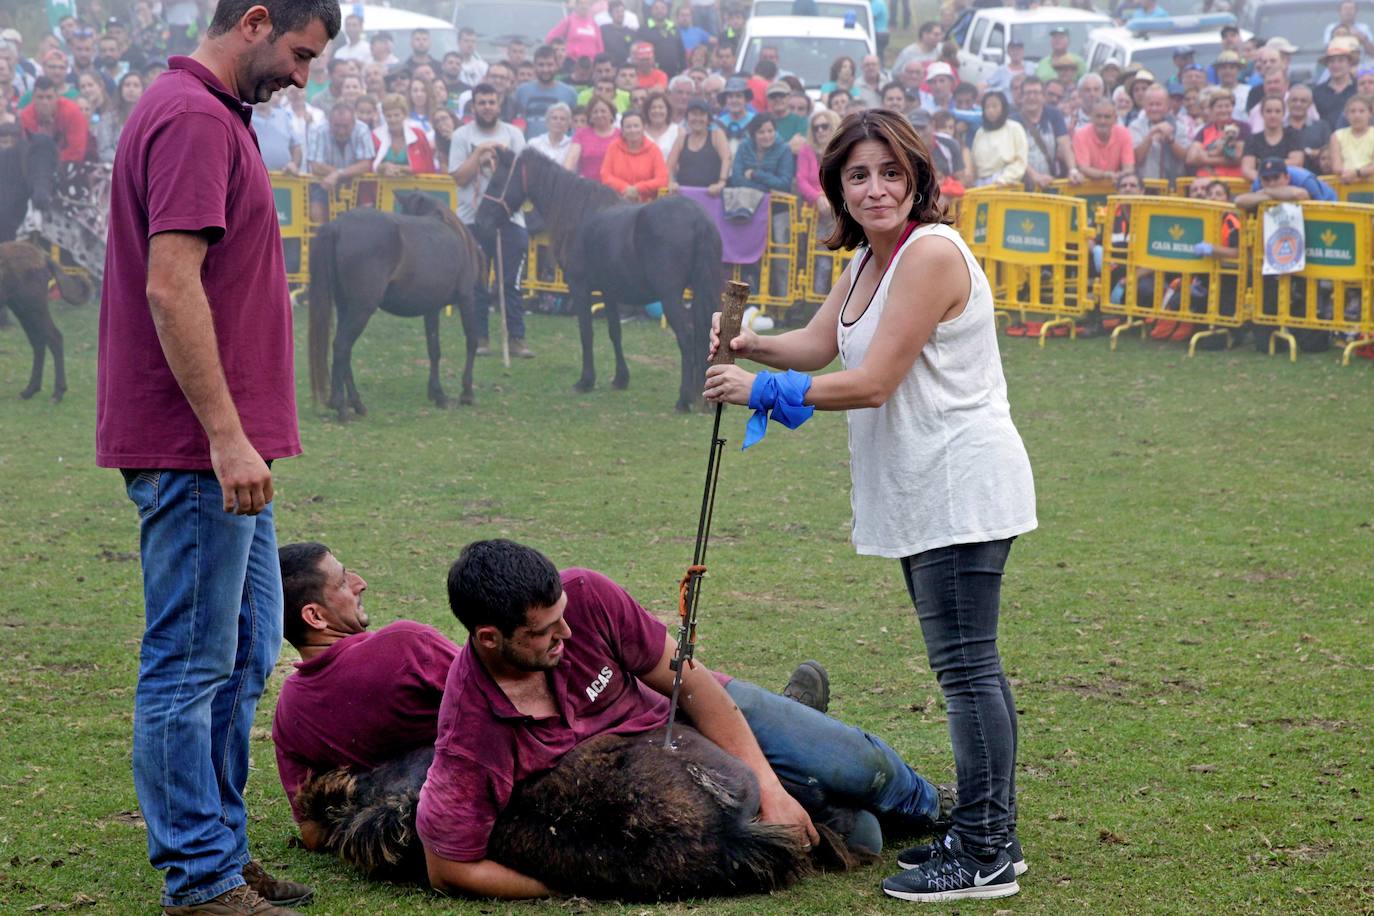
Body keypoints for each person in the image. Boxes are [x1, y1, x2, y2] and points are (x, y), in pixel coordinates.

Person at [703, 108, 1035, 904]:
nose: (876, 187)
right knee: (963, 666)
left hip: (959, 480)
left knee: (966, 670)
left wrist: (761, 390)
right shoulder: (865, 265)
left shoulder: (927, 255)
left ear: (918, 177)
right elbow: (823, 346)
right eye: (859, 175)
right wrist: (753, 346)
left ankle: (988, 846)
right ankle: (988, 832)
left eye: (891, 172)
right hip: (919, 483)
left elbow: (873, 381)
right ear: (838, 190)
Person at [96, 0, 340, 911]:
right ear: (255, 19)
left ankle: (221, 856)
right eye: (299, 54)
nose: (301, 77)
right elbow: (170, 284)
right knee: (190, 663)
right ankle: (200, 879)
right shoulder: (195, 117)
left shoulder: (206, 114)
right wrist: (225, 436)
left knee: (239, 655)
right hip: (200, 449)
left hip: (223, 448)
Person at [416, 539, 954, 898]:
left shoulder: (586, 596)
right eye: (545, 632)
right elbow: (448, 868)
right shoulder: (470, 732)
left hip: (691, 712)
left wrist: (770, 789)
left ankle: (936, 806)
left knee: (862, 767)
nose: (568, 635)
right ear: (490, 637)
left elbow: (688, 681)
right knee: (864, 835)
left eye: (563, 617)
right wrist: (572, 885)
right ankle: (796, 726)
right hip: (657, 786)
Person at [272, 542, 461, 826]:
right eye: (343, 582)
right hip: (467, 810)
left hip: (392, 839)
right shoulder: (406, 644)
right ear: (315, 617)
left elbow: (312, 832)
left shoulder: (288, 713)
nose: (361, 584)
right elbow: (501, 698)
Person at [449, 82, 532, 359]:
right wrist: (478, 153)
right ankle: (480, 337)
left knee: (510, 282)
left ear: (499, 105)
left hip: (510, 219)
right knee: (477, 282)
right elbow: (459, 176)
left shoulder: (513, 134)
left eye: (491, 102)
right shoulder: (462, 135)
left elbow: (522, 179)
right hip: (472, 220)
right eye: (481, 103)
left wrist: (498, 164)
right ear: (473, 106)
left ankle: (517, 338)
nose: (487, 107)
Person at [305, 100, 373, 222]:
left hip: (354, 183)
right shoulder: (318, 129)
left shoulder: (362, 129)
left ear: (353, 122)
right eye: (337, 125)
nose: (341, 131)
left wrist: (338, 174)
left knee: (363, 217)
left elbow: (366, 164)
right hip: (323, 182)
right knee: (316, 212)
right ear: (329, 122)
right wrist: (340, 173)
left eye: (345, 126)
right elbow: (315, 165)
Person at [1016, 76, 1080, 190]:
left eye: (1036, 93)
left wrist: (1073, 170)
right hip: (1022, 184)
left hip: (1049, 181)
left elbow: (1065, 145)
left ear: (1043, 96)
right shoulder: (1013, 120)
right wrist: (1035, 176)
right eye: (1028, 93)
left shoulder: (1054, 115)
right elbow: (1015, 155)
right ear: (1021, 97)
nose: (1032, 97)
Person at [600, 109, 668, 201]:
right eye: (628, 127)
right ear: (622, 130)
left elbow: (662, 180)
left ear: (643, 128)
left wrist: (637, 189)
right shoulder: (614, 147)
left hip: (647, 204)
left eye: (636, 126)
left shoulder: (654, 149)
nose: (632, 130)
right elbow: (605, 175)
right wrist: (625, 188)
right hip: (618, 202)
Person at [667, 97, 730, 194]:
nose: (698, 119)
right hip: (685, 195)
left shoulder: (717, 135)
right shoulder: (681, 139)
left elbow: (726, 158)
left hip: (711, 194)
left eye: (702, 115)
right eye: (694, 114)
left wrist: (721, 182)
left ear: (708, 118)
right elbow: (669, 166)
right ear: (687, 117)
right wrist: (671, 182)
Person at [515, 44, 578, 139]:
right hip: (528, 149)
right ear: (534, 67)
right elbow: (517, 121)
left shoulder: (570, 93)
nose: (545, 69)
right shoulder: (521, 91)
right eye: (541, 65)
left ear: (557, 66)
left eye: (549, 65)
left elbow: (574, 125)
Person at [1186, 87, 1249, 178]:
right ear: (1212, 109)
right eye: (1219, 106)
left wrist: (1205, 157)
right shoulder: (1205, 130)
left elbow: (1238, 158)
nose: (1224, 110)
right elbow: (1191, 158)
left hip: (1233, 182)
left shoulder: (1243, 127)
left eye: (1227, 106)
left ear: (1233, 107)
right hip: (1205, 181)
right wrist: (1220, 154)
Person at [1131, 84, 1187, 183]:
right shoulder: (1135, 126)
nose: (1154, 108)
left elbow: (1185, 157)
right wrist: (1151, 134)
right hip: (1145, 186)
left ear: (1167, 106)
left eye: (1158, 104)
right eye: (1150, 104)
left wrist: (1171, 139)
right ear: (1144, 106)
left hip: (1173, 187)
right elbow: (1136, 158)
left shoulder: (1179, 126)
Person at [970, 91, 1028, 188]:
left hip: (1005, 183)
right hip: (981, 184)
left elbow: (1020, 161)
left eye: (995, 106)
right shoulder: (980, 132)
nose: (991, 110)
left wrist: (1004, 179)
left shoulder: (1014, 128)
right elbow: (974, 162)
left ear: (1003, 108)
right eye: (987, 107)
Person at [1241, 95, 1302, 182]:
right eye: (1268, 111)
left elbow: (1297, 162)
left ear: (1283, 114)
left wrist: (1264, 166)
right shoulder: (1252, 139)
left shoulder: (1293, 135)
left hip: (1289, 183)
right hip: (1261, 187)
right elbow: (1247, 170)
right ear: (1262, 113)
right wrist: (1266, 181)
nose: (1273, 115)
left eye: (1277, 111)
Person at [729, 112, 795, 192]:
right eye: (761, 132)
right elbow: (736, 180)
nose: (767, 136)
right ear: (753, 134)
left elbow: (784, 184)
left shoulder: (784, 149)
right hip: (745, 197)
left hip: (775, 200)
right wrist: (764, 189)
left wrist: (755, 174)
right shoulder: (744, 146)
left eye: (770, 131)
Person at [371, 92, 434, 175]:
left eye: (396, 115)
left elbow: (428, 165)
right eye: (388, 116)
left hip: (416, 186)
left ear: (404, 115)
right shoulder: (375, 136)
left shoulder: (418, 135)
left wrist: (402, 169)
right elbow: (370, 165)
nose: (393, 120)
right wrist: (381, 167)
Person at [94, 70, 142, 162]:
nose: (131, 89)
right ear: (121, 89)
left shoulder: (149, 119)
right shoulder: (109, 118)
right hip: (115, 167)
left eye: (136, 85)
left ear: (142, 90)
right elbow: (104, 150)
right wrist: (126, 161)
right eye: (127, 85)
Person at [568, 94, 619, 179]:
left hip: (615, 186)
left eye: (603, 111)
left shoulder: (621, 135)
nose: (599, 115)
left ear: (611, 114)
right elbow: (571, 160)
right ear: (590, 116)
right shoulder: (581, 134)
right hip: (588, 187)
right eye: (595, 112)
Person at [1285, 83, 1331, 173]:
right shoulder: (1278, 128)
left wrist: (1312, 152)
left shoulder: (1322, 127)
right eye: (1294, 100)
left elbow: (1329, 153)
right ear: (1287, 102)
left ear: (1310, 104)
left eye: (1303, 101)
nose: (1298, 104)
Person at [1329, 94, 1374, 183]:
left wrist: (1357, 173)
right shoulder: (1337, 136)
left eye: (1362, 111)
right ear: (1346, 115)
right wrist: (1348, 174)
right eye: (1352, 111)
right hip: (1346, 184)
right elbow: (1336, 166)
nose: (1357, 115)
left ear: (1370, 114)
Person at [1313, 43, 1358, 130]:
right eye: (1331, 61)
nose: (1336, 65)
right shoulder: (1317, 92)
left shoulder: (1359, 89)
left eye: (1340, 61)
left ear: (1349, 64)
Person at [528, 100, 575, 168]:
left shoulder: (573, 146)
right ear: (547, 122)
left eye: (562, 119)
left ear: (568, 124)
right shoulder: (534, 144)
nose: (558, 121)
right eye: (554, 118)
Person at [641, 89, 679, 159]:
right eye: (653, 107)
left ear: (667, 110)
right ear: (647, 111)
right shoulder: (640, 131)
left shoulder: (677, 131)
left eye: (661, 107)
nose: (657, 111)